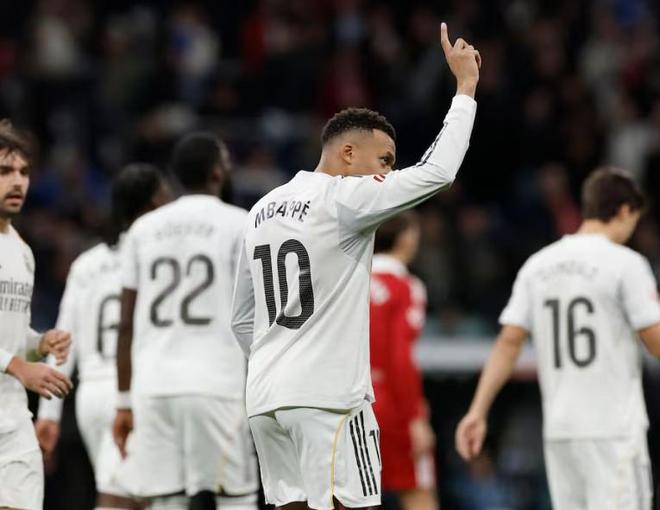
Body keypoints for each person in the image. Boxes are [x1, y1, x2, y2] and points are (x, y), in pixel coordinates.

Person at [231, 23, 479, 510]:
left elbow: (242, 319)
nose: (388, 173)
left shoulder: (260, 209)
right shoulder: (343, 198)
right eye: (383, 160)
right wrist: (465, 89)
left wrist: (274, 361)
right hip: (329, 399)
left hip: (264, 398)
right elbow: (437, 172)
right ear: (347, 153)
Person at [455, 167, 660, 510]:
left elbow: (508, 343)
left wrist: (477, 410)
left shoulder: (538, 265)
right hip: (614, 428)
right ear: (625, 211)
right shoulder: (626, 264)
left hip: (561, 430)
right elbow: (655, 341)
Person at [113, 133, 258, 510]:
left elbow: (125, 323)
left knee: (167, 500)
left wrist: (124, 399)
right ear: (217, 172)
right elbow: (256, 310)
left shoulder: (143, 229)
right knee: (235, 499)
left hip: (153, 385)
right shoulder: (241, 223)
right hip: (217, 383)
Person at [35, 164, 170, 510]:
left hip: (91, 397)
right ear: (152, 205)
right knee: (121, 497)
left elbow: (62, 342)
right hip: (132, 391)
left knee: (135, 494)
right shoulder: (159, 260)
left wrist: (49, 413)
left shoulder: (87, 263)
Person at [0, 120, 73, 510]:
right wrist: (20, 367)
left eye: (24, 172)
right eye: (5, 171)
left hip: (12, 419)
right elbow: (13, 359)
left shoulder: (22, 251)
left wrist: (39, 343)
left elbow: (12, 338)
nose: (18, 182)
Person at [369, 212, 438, 510]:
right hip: (391, 402)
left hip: (348, 399)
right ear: (407, 237)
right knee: (417, 490)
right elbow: (400, 356)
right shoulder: (406, 286)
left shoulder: (348, 280)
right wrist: (415, 416)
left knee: (355, 495)